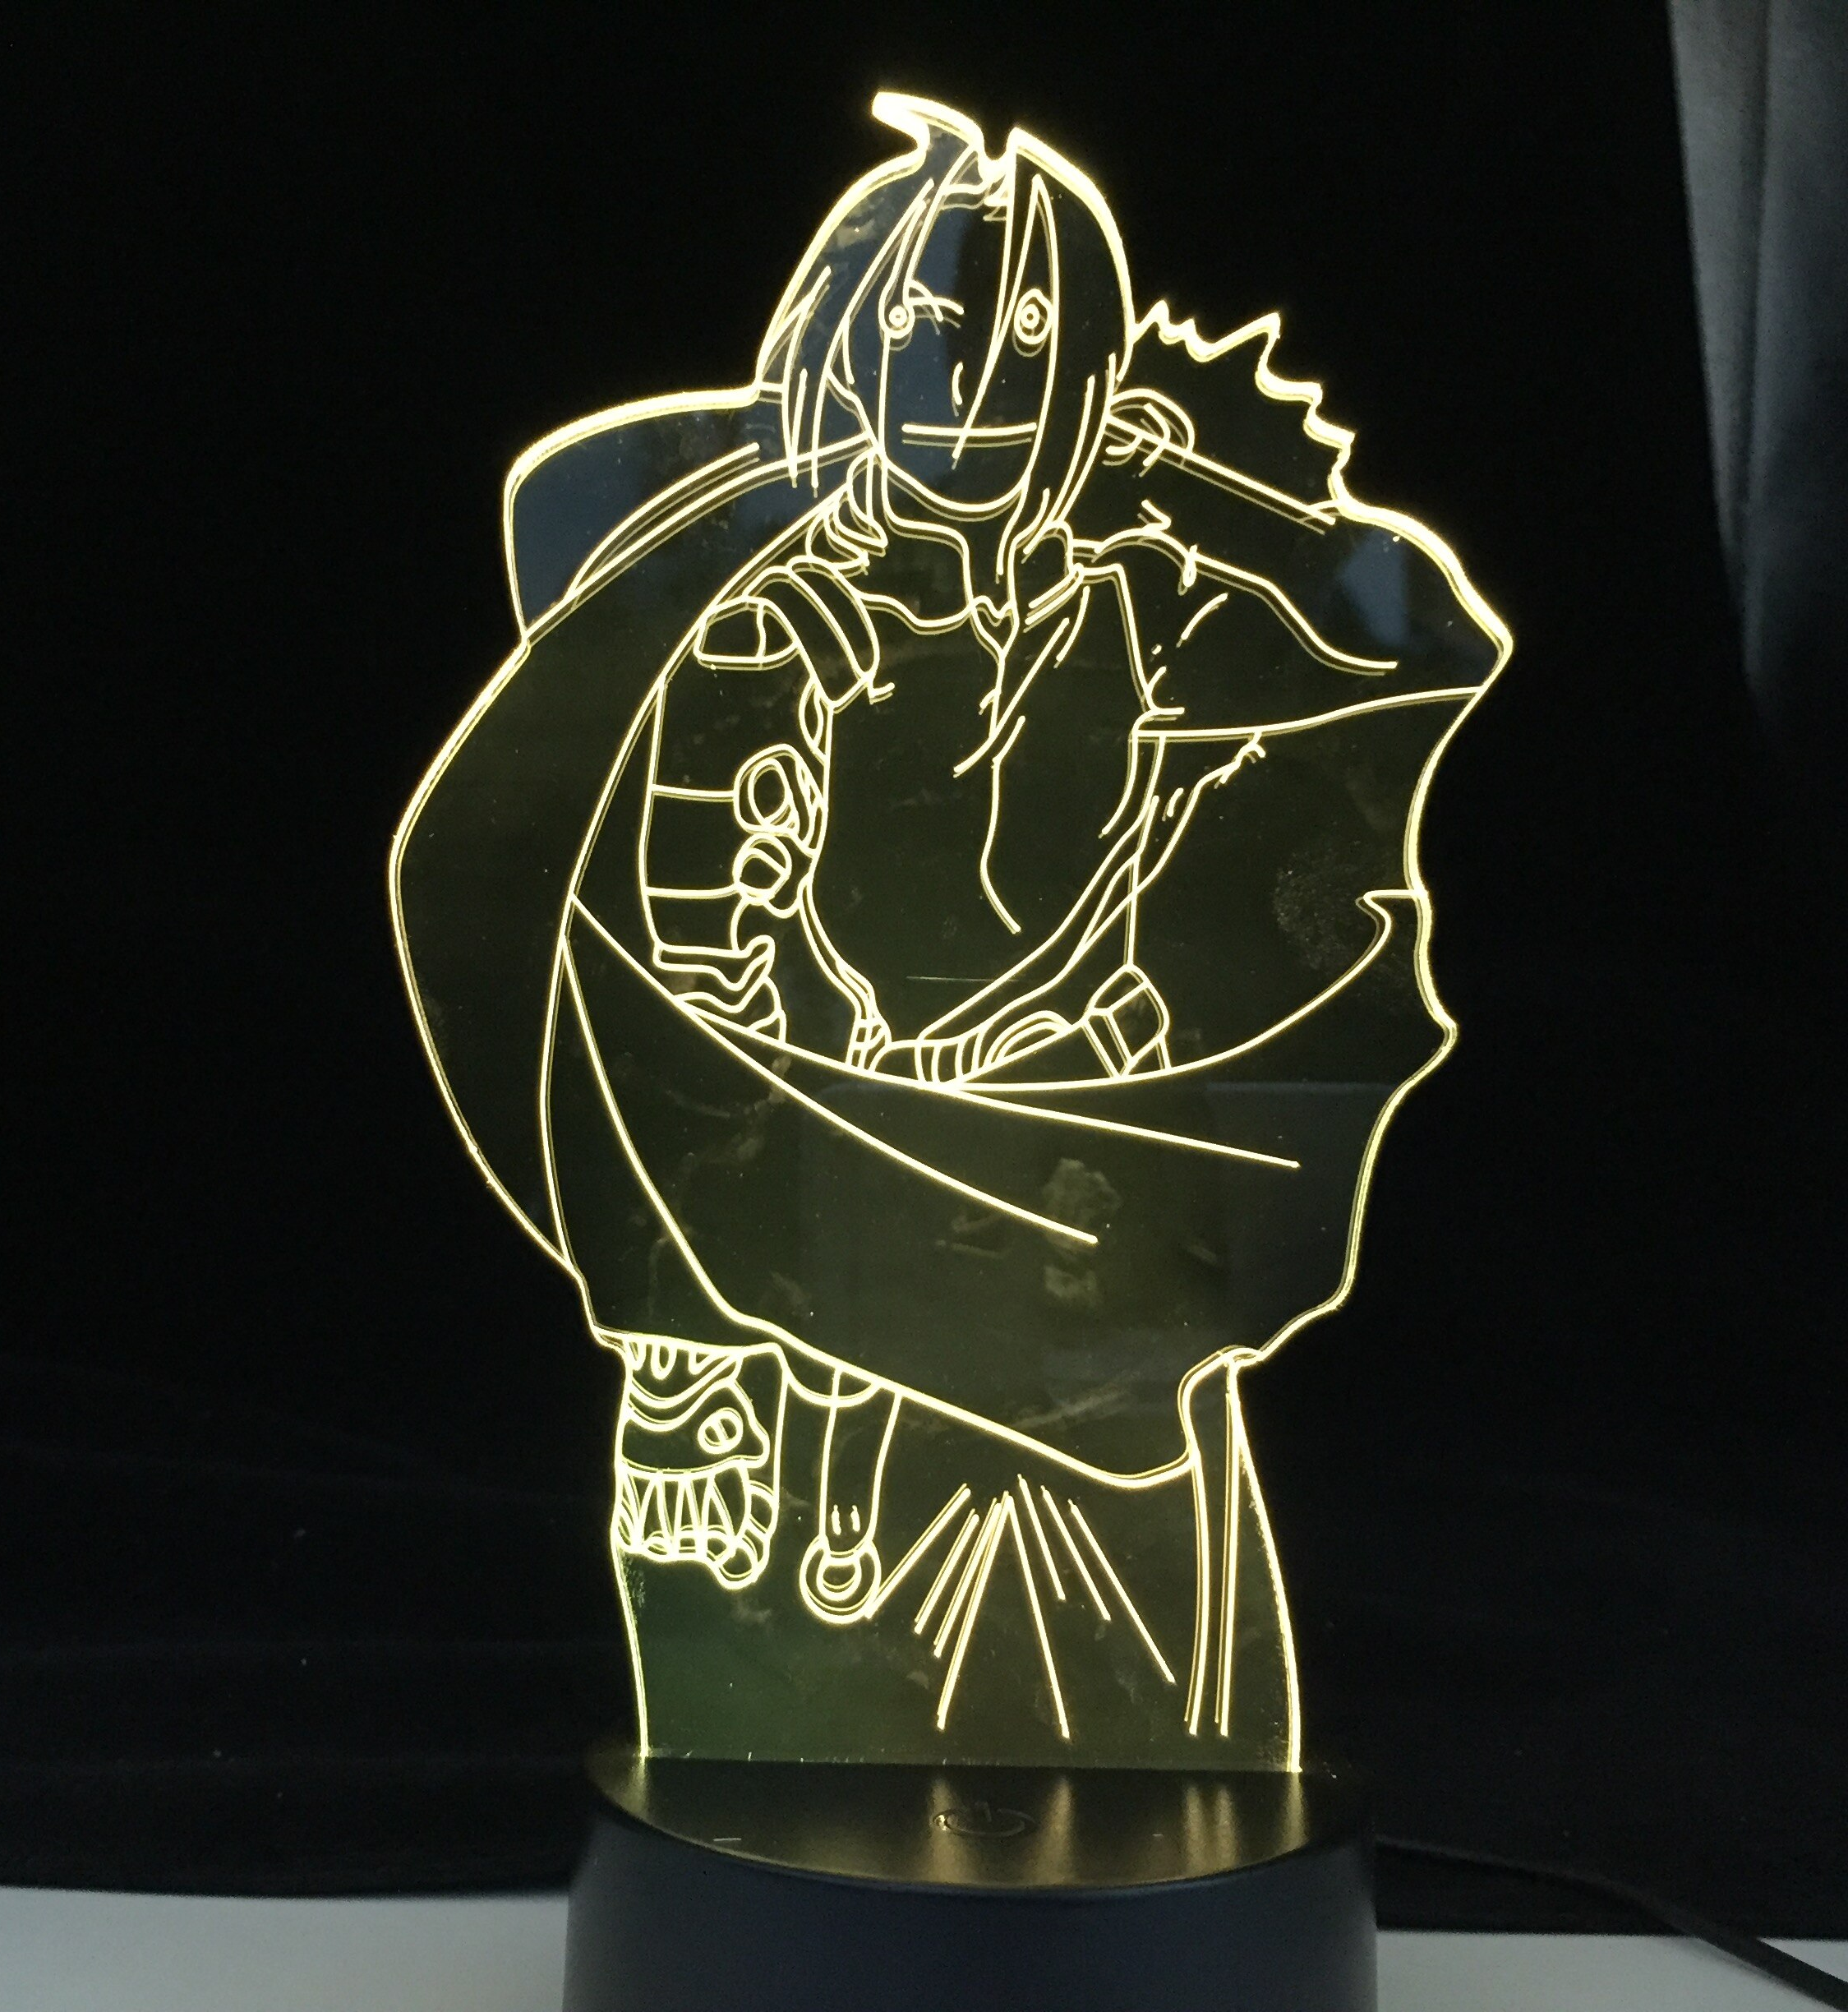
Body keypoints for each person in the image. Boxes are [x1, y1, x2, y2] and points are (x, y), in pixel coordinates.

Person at [392, 96, 1509, 1765]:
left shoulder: (1129, 599)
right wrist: (684, 1364)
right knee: (805, 1772)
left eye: (1034, 331)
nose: (977, 376)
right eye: (929, 314)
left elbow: (1430, 647)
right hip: (830, 1284)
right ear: (857, 334)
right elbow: (674, 998)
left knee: (1167, 1754)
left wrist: (1185, 487)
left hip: (1100, 1257)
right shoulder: (771, 635)